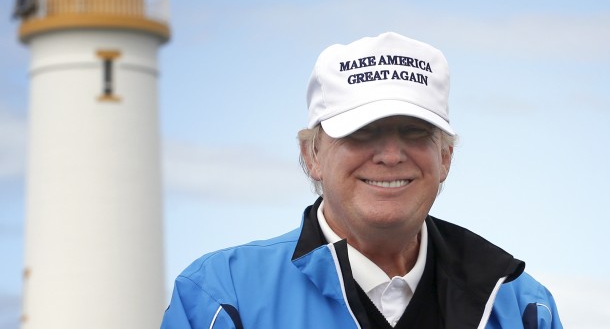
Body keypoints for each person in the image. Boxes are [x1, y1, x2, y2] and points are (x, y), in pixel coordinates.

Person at [161, 32, 562, 328]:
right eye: (362, 132)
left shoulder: (522, 306)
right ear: (312, 155)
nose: (390, 155)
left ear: (445, 158)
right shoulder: (222, 296)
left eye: (415, 132)